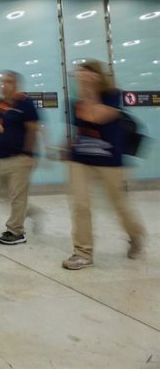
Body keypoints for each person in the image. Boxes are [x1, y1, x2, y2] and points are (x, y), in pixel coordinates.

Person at [62, 61, 146, 270]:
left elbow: (97, 115)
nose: (81, 78)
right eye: (79, 75)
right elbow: (79, 128)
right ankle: (83, 253)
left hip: (109, 160)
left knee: (118, 204)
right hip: (80, 159)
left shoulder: (112, 95)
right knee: (80, 205)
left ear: (97, 76)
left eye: (86, 74)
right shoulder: (74, 103)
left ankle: (135, 234)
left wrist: (89, 92)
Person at [0, 70, 39, 245]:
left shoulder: (25, 103)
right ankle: (28, 212)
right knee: (4, 195)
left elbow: (32, 128)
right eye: (2, 81)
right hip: (1, 158)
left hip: (19, 158)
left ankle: (16, 231)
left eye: (9, 81)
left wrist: (29, 153)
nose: (4, 84)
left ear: (16, 85)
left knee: (17, 195)